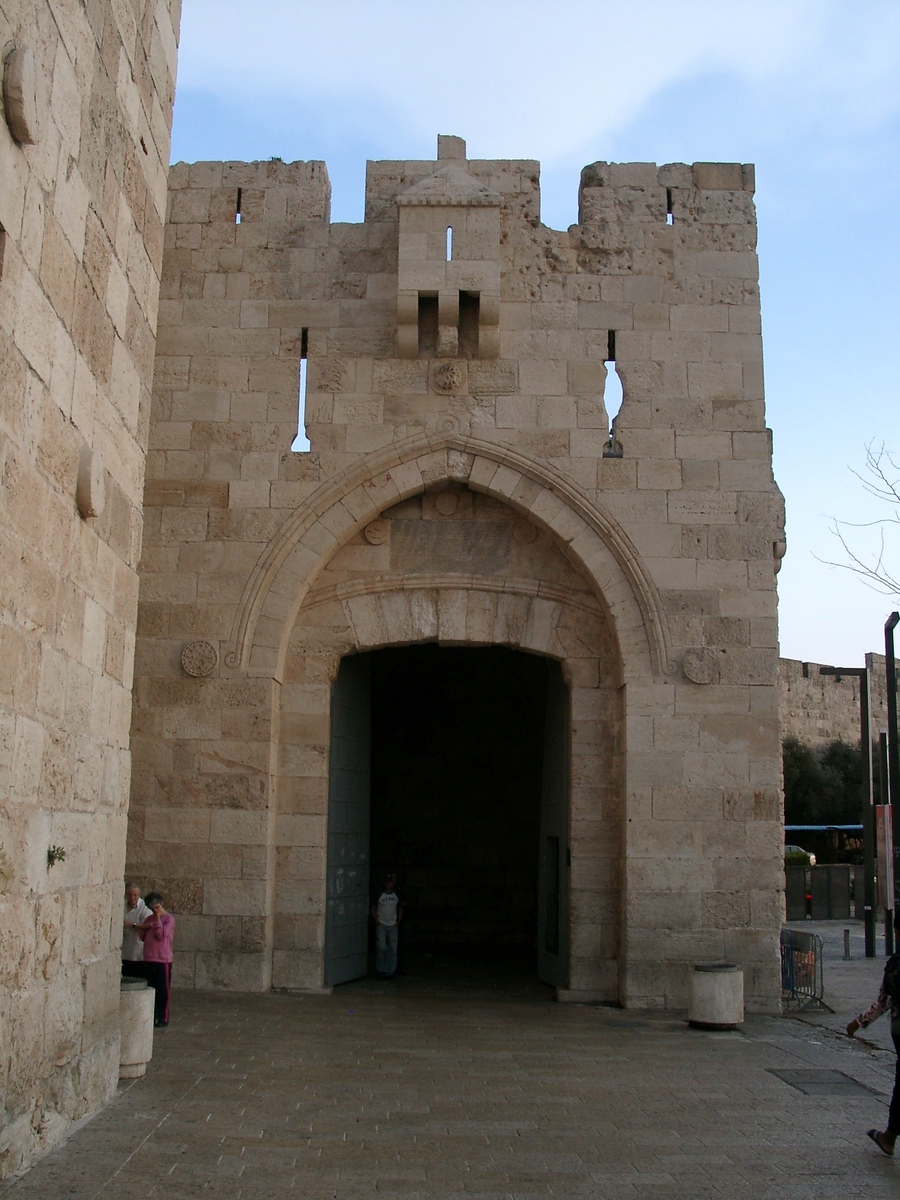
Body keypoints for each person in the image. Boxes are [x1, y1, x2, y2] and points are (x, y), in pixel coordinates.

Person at [847, 949, 900, 1156]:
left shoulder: (897, 962)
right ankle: (889, 1136)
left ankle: (889, 1136)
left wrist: (858, 1022)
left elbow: (884, 1001)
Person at [139, 891, 175, 1027]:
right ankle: (151, 1016)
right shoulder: (149, 919)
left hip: (162, 959)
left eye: (157, 907)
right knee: (150, 988)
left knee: (162, 990)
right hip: (149, 958)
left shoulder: (169, 919)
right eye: (153, 909)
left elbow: (161, 935)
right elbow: (142, 935)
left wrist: (158, 920)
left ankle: (162, 1017)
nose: (156, 911)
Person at [371, 874, 403, 979]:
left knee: (393, 949)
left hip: (392, 925)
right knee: (382, 947)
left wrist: (398, 922)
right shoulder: (379, 894)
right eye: (387, 882)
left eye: (390, 882)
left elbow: (400, 908)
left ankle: (390, 971)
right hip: (382, 924)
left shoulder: (396, 895)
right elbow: (373, 908)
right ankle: (381, 970)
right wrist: (376, 920)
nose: (389, 884)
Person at [122, 882, 151, 979]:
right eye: (130, 895)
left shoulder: (144, 908)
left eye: (135, 895)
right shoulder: (122, 905)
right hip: (124, 949)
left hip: (138, 949)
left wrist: (132, 924)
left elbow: (150, 925)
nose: (132, 898)